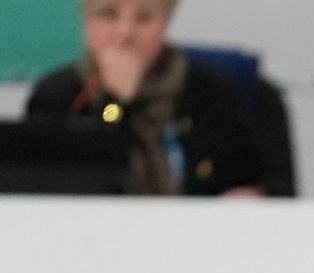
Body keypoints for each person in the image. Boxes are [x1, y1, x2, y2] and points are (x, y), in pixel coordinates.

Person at [26, 0, 267, 198]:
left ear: (165, 23)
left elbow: (263, 179)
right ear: (86, 21)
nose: (125, 33)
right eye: (108, 15)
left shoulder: (211, 91)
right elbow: (69, 185)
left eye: (144, 18)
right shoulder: (57, 95)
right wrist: (116, 102)